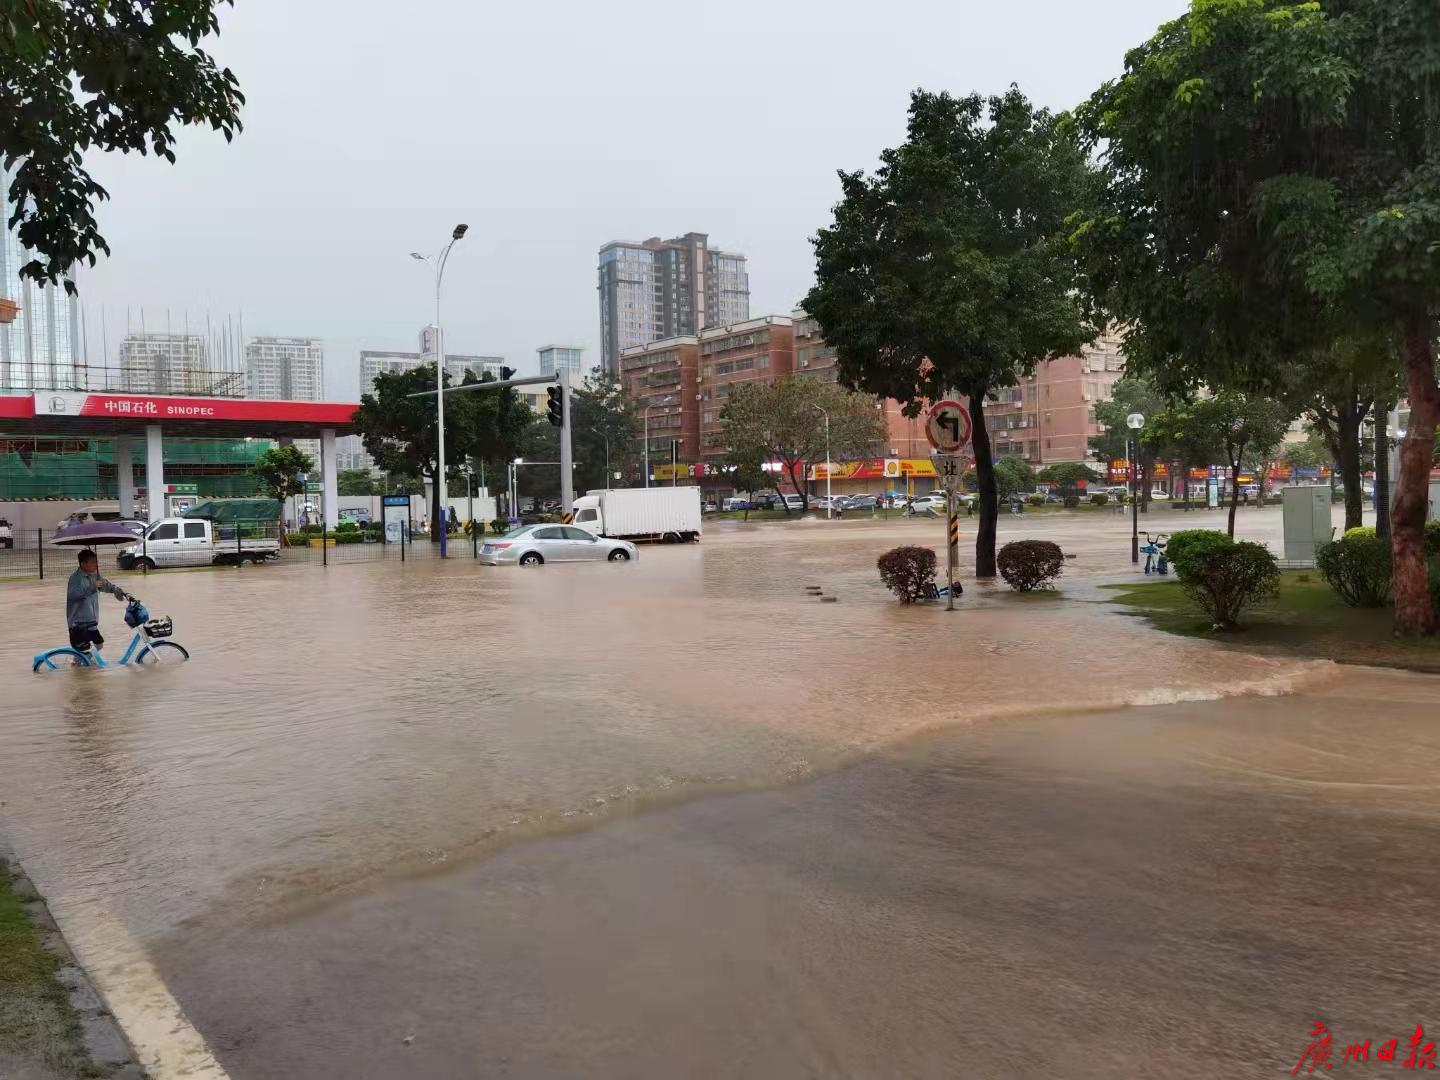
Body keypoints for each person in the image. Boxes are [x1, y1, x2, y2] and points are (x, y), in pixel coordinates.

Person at [66, 549, 127, 657]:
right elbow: (73, 595)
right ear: (83, 564)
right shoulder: (75, 578)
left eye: (96, 561)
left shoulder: (94, 574)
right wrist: (92, 587)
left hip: (91, 621)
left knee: (99, 644)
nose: (96, 564)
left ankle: (83, 665)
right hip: (79, 623)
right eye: (93, 562)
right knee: (84, 649)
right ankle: (79, 665)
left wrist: (119, 591)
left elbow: (106, 585)